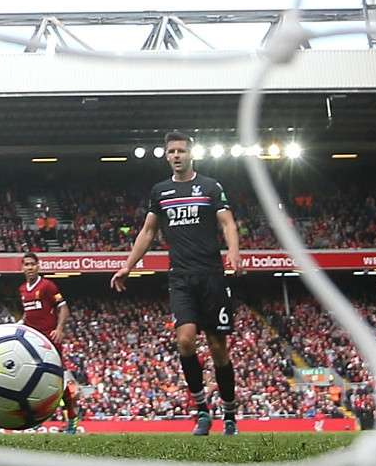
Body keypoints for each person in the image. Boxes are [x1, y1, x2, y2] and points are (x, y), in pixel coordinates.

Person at [112, 130, 243, 436]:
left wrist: (234, 252)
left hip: (211, 275)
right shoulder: (161, 192)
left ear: (191, 154)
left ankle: (230, 413)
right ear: (167, 155)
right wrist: (128, 266)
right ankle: (201, 411)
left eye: (181, 151)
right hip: (180, 277)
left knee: (217, 348)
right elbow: (147, 232)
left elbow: (227, 222)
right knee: (184, 341)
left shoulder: (210, 187)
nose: (176, 156)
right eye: (172, 151)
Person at [17, 251, 81, 434]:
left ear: (38, 266)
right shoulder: (22, 290)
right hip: (32, 343)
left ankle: (72, 418)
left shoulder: (47, 286)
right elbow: (28, 314)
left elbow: (63, 307)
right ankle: (37, 418)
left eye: (32, 264)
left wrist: (59, 329)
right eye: (26, 264)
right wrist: (19, 326)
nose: (29, 267)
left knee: (57, 382)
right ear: (22, 268)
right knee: (30, 380)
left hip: (50, 342)